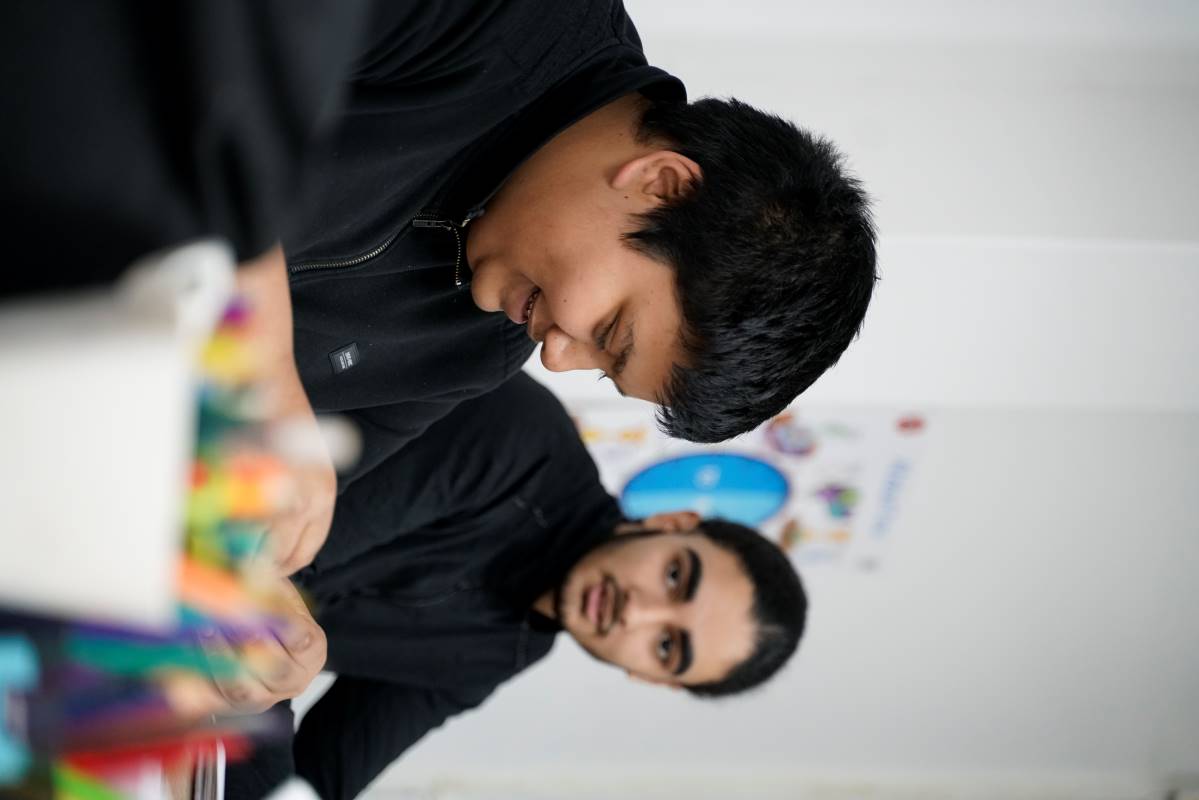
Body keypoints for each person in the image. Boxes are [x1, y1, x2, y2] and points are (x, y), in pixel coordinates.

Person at [1, 2, 876, 574]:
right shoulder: (514, 21)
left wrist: (246, 590)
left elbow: (286, 484)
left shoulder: (485, 343)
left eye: (600, 369)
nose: (558, 360)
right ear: (660, 184)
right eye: (609, 331)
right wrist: (257, 344)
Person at [206, 373, 807, 800]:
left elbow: (322, 776)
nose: (639, 613)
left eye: (667, 646)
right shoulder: (523, 441)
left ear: (651, 678)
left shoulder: (501, 655)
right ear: (671, 522)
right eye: (676, 576)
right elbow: (269, 565)